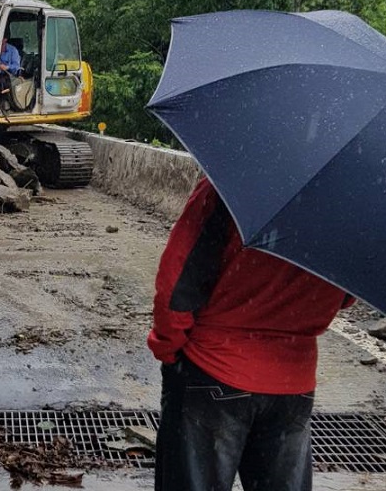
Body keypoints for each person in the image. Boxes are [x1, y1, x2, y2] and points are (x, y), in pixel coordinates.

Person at [148, 176, 355, 491]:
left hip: (213, 370)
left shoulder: (232, 183)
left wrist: (169, 349)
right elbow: (345, 297)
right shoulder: (353, 205)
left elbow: (177, 285)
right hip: (292, 385)